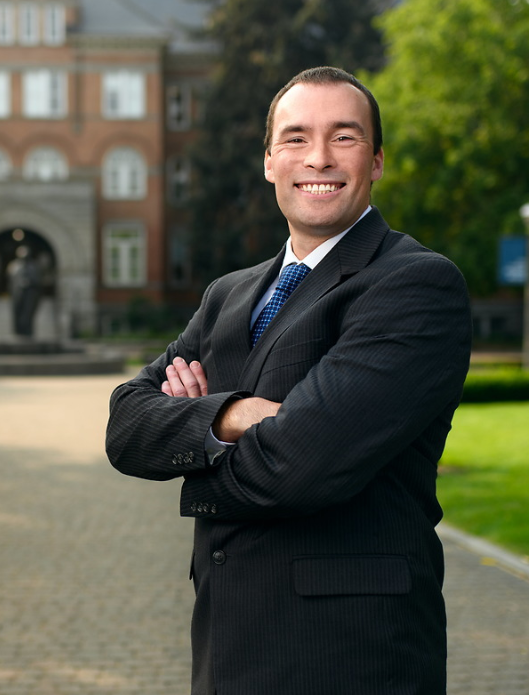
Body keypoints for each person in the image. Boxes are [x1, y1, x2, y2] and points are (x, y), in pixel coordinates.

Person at [106, 66, 472, 695]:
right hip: (228, 650)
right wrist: (233, 416)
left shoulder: (413, 284)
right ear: (271, 161)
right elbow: (126, 425)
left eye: (345, 138)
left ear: (377, 160)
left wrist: (192, 444)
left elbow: (300, 465)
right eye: (297, 138)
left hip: (349, 656)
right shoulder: (230, 293)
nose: (319, 158)